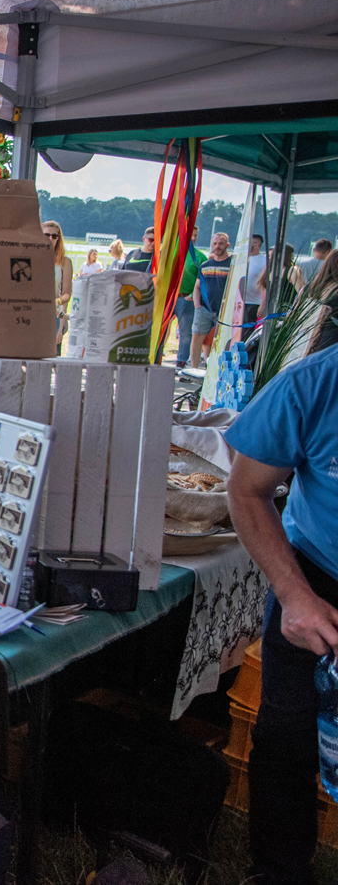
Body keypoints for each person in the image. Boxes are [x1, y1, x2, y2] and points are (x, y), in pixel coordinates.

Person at [224, 344, 338, 885]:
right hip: (316, 579)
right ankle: (279, 872)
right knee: (287, 738)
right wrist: (295, 595)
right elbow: (247, 490)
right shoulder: (313, 384)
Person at [190, 231, 233, 367]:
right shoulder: (205, 265)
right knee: (197, 338)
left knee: (223, 340)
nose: (217, 246)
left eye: (221, 243)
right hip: (205, 308)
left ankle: (219, 368)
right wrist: (197, 304)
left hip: (225, 309)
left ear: (227, 245)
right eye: (215, 243)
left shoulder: (232, 265)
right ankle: (194, 368)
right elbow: (197, 287)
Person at [172, 241, 206, 367]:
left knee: (185, 331)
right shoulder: (169, 253)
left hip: (185, 298)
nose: (193, 238)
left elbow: (204, 280)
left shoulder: (199, 257)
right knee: (160, 329)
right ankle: (155, 357)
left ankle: (181, 360)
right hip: (169, 298)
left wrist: (191, 296)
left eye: (195, 235)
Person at [43, 221, 73, 351]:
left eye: (54, 236)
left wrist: (57, 301)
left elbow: (66, 294)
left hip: (51, 314)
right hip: (31, 313)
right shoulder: (31, 257)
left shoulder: (65, 262)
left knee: (49, 354)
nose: (50, 238)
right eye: (46, 235)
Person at [257, 243, 304, 311]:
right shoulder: (271, 270)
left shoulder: (292, 270)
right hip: (271, 309)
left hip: (286, 308)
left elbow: (301, 292)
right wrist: (262, 305)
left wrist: (294, 309)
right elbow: (267, 290)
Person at [241, 233, 266, 336]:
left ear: (255, 245)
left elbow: (267, 284)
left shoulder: (264, 261)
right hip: (237, 301)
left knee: (246, 332)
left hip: (252, 303)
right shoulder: (240, 258)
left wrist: (263, 304)